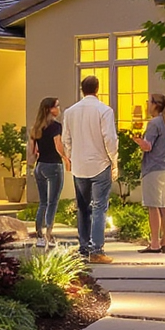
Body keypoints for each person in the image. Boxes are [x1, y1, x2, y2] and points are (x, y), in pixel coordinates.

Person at [61, 75, 120, 264]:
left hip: (79, 165)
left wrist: (71, 156)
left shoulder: (70, 112)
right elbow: (109, 138)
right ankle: (97, 250)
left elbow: (66, 139)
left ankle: (83, 247)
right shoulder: (104, 111)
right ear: (97, 89)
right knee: (99, 208)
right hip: (100, 163)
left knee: (83, 208)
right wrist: (114, 160)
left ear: (82, 89)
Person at [134, 93, 165, 253]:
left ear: (155, 105)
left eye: (148, 102)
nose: (146, 105)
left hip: (153, 169)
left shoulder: (154, 123)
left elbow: (148, 146)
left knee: (153, 206)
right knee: (162, 206)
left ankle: (154, 243)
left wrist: (138, 140)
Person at [28, 97, 69, 248]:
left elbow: (33, 149)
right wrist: (66, 158)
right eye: (57, 106)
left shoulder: (36, 127)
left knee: (43, 202)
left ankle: (39, 235)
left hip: (40, 167)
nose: (59, 109)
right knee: (53, 202)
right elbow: (58, 145)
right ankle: (48, 235)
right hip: (53, 165)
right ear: (49, 109)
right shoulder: (55, 126)